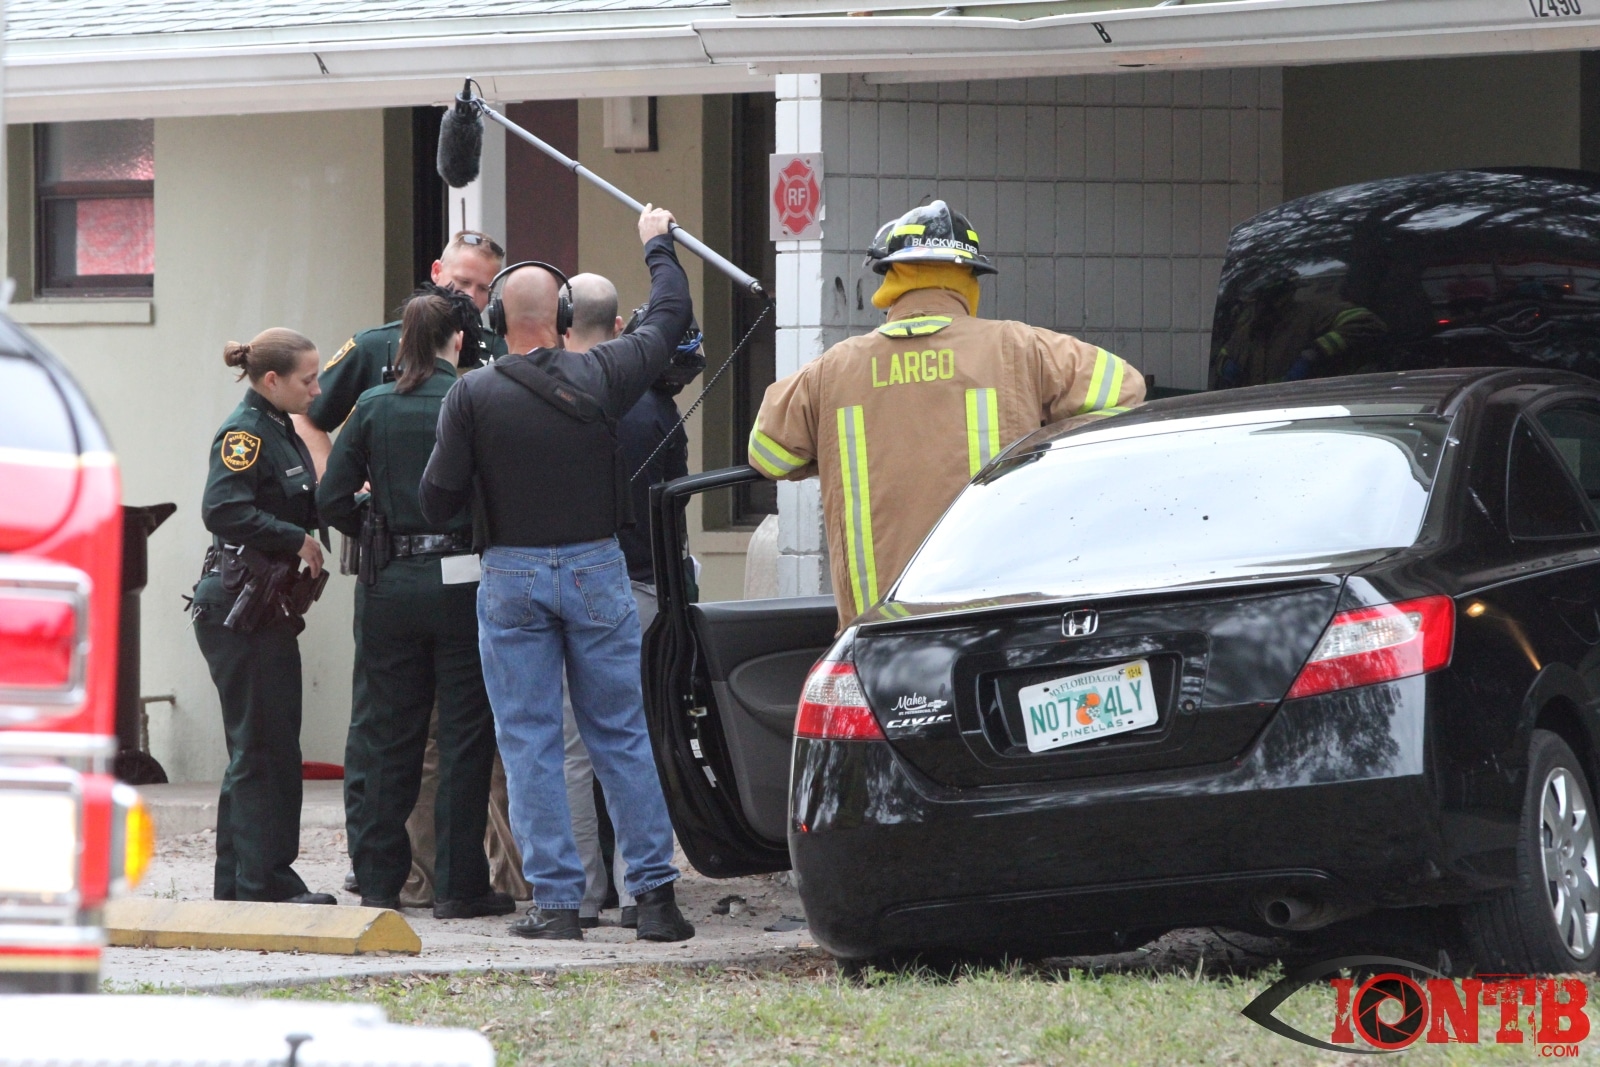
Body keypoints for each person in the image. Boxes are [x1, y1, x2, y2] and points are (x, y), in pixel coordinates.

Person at [420, 206, 695, 943]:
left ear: (496, 320)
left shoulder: (471, 394)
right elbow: (670, 315)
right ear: (565, 316)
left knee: (531, 741)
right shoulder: (604, 373)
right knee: (621, 734)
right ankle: (655, 899)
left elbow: (436, 498)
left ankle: (557, 904)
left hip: (510, 573)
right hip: (599, 567)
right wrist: (658, 245)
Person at [748, 200, 1148, 628]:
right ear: (968, 281)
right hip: (992, 618)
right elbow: (1127, 389)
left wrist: (833, 451)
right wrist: (1042, 438)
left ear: (892, 279)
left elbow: (768, 454)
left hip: (877, 631)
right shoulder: (1019, 348)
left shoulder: (834, 369)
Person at [288, 229, 510, 901]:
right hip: (463, 580)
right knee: (465, 735)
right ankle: (460, 886)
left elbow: (330, 497)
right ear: (455, 340)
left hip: (388, 581)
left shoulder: (375, 405)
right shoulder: (474, 396)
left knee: (385, 733)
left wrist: (374, 526)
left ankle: (381, 881)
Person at [191, 328, 336, 905]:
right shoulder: (246, 433)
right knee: (264, 749)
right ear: (272, 380)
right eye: (308, 379)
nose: (317, 389)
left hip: (261, 609)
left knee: (262, 745)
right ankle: (265, 882)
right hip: (240, 609)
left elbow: (294, 497)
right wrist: (294, 538)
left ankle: (239, 882)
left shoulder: (279, 427)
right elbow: (222, 508)